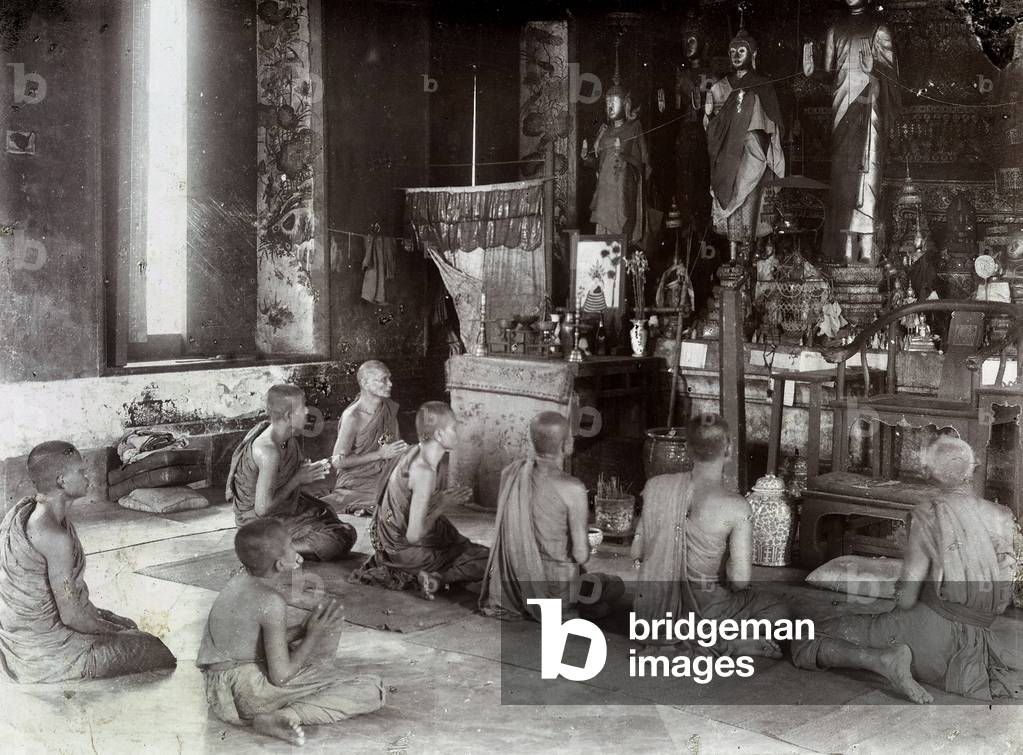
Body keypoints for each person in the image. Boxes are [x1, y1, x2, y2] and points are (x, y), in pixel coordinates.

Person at [791, 437, 1022, 703]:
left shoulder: (929, 514)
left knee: (804, 637)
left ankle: (884, 660)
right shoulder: (1002, 515)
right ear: (974, 467)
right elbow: (1001, 598)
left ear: (927, 474)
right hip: (979, 643)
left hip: (933, 643)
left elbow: (907, 598)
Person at [0, 441, 176, 683]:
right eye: (81, 471)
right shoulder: (53, 534)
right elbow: (71, 616)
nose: (88, 475)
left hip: (26, 642)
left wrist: (110, 623)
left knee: (127, 624)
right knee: (154, 648)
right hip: (47, 654)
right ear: (61, 481)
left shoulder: (30, 513)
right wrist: (113, 632)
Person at [197, 520, 384, 746]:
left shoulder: (237, 581)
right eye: (291, 546)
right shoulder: (271, 601)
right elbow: (281, 676)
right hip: (248, 696)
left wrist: (302, 630)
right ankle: (284, 716)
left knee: (328, 621)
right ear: (279, 564)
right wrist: (312, 634)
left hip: (220, 691)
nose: (296, 550)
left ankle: (310, 681)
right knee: (371, 688)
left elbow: (250, 641)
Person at [631, 414, 787, 657]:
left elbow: (636, 552)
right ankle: (727, 644)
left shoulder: (655, 487)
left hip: (651, 614)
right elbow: (740, 580)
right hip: (708, 610)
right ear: (729, 449)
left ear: (687, 449)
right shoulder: (736, 506)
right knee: (780, 609)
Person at [479, 412, 622, 620]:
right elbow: (581, 554)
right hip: (553, 589)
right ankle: (572, 609)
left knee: (596, 599)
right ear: (566, 443)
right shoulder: (572, 487)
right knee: (614, 585)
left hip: (511, 588)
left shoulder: (510, 473)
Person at [351, 401, 489, 600]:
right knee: (493, 561)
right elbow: (413, 536)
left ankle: (437, 574)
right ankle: (438, 578)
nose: (457, 433)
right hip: (407, 552)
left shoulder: (413, 452)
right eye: (454, 429)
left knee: (462, 545)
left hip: (389, 547)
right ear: (440, 435)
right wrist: (442, 504)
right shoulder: (424, 472)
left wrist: (438, 501)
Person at [226, 385, 357, 562]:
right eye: (303, 407)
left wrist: (309, 471)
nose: (307, 411)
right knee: (337, 539)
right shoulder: (268, 451)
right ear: (288, 416)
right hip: (257, 522)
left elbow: (284, 476)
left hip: (279, 509)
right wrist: (297, 479)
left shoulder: (285, 437)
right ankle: (268, 548)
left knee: (329, 515)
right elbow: (262, 509)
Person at [822, 0, 900, 264]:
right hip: (842, 112)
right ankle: (843, 248)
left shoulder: (880, 29)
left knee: (867, 177)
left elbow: (894, 83)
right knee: (843, 179)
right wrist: (810, 73)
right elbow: (829, 76)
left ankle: (866, 250)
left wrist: (873, 72)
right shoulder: (835, 30)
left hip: (869, 111)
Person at [705, 26, 785, 263]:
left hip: (753, 150)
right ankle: (732, 257)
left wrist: (771, 148)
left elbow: (774, 124)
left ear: (753, 54)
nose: (736, 55)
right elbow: (712, 130)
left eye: (742, 50)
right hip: (729, 155)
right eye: (732, 51)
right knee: (730, 197)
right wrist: (709, 117)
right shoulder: (719, 88)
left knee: (751, 201)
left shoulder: (762, 84)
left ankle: (751, 254)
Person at [323, 361, 408, 517]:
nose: (390, 384)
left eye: (389, 379)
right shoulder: (353, 417)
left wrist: (409, 452)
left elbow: (395, 446)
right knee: (396, 498)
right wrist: (379, 455)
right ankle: (355, 501)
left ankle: (370, 503)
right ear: (365, 383)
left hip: (384, 469)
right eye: (383, 380)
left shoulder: (387, 408)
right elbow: (337, 461)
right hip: (357, 477)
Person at [583, 72, 650, 247]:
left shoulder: (634, 127)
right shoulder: (604, 131)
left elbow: (643, 162)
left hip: (623, 192)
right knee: (602, 238)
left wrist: (623, 154)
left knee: (621, 234)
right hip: (605, 193)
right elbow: (597, 162)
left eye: (614, 102)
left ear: (626, 104)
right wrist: (587, 156)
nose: (610, 107)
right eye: (607, 103)